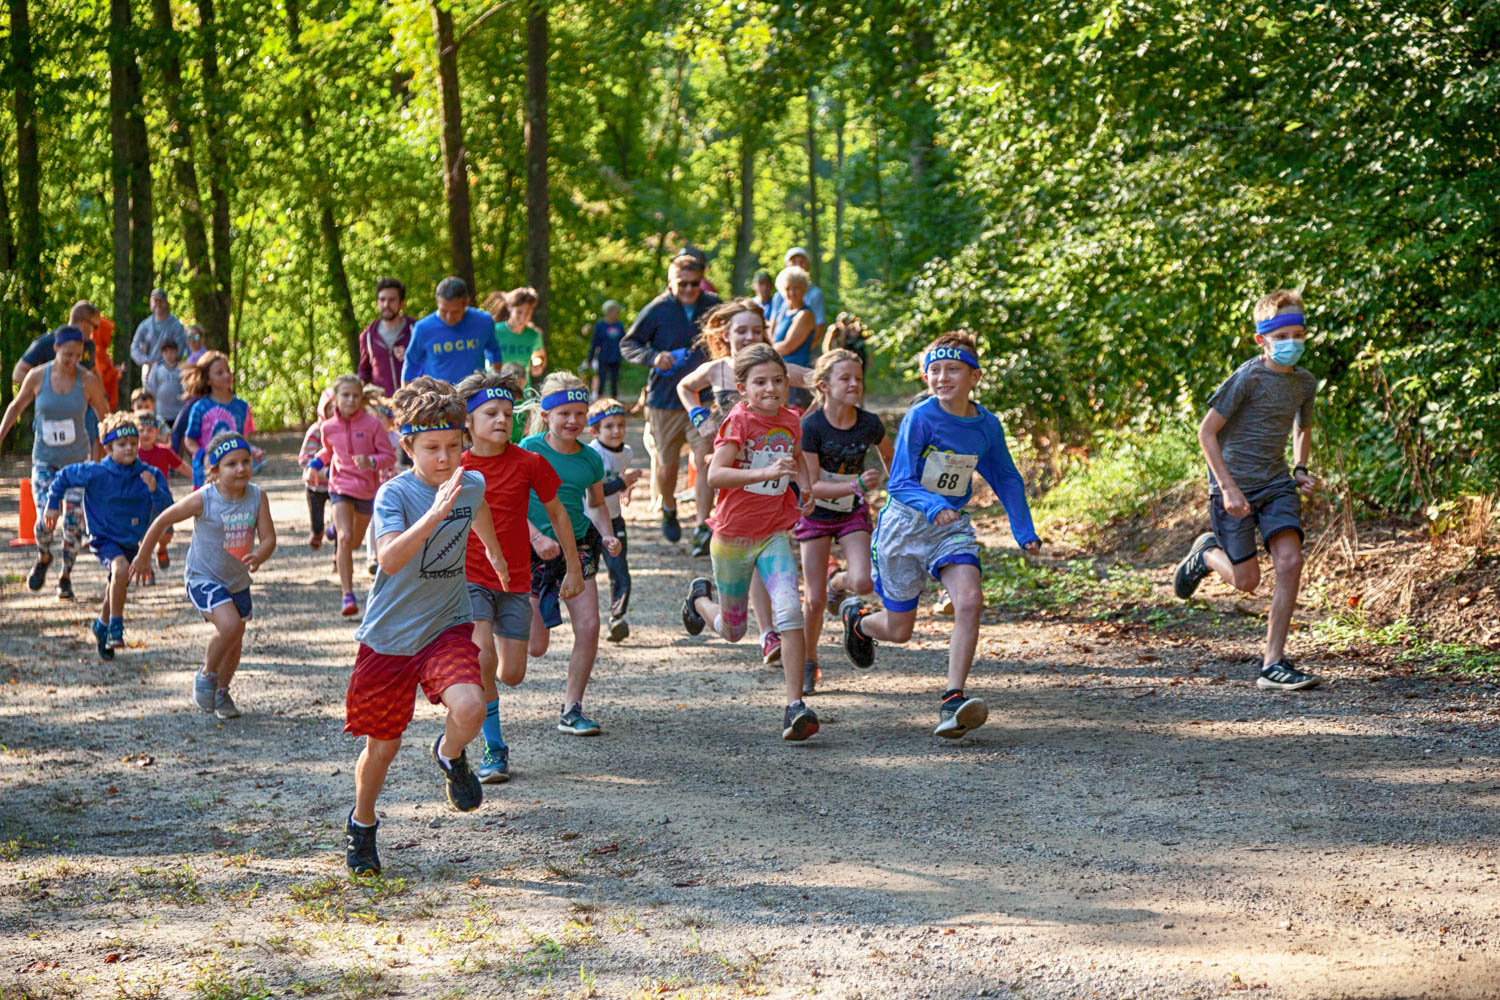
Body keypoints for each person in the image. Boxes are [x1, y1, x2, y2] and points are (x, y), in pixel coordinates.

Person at [341, 376, 511, 876]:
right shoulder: (395, 496)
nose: (444, 459)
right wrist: (434, 515)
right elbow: (389, 558)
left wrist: (496, 556)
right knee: (383, 747)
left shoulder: (469, 481)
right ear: (407, 445)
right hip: (390, 638)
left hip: (446, 623)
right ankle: (363, 824)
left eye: (454, 447)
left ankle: (450, 752)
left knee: (472, 703)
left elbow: (476, 508)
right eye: (432, 448)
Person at [839, 332, 1042, 739]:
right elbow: (900, 482)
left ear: (974, 377)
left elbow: (1004, 476)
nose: (943, 377)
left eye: (953, 369)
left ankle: (953, 700)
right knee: (900, 631)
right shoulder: (921, 417)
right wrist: (933, 505)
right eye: (935, 370)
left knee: (969, 599)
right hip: (904, 527)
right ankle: (859, 622)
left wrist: (1025, 530)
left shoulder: (986, 426)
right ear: (925, 375)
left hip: (949, 528)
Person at [1173, 289, 1320, 691]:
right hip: (1233, 485)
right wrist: (1228, 488)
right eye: (1283, 336)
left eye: (1299, 334)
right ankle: (1206, 553)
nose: (1293, 343)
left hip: (1275, 483)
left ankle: (1273, 663)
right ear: (1262, 339)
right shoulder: (1248, 377)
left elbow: (1302, 426)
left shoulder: (1305, 383)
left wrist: (1301, 467)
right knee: (1246, 582)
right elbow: (1206, 433)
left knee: (1290, 561)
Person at [680, 343, 819, 741]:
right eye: (760, 383)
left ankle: (795, 706)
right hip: (731, 539)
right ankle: (699, 601)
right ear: (742, 388)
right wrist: (765, 475)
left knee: (789, 612)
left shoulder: (792, 420)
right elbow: (715, 476)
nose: (771, 389)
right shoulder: (738, 423)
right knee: (733, 630)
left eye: (778, 381)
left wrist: (804, 488)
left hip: (773, 534)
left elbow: (796, 458)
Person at [456, 371, 580, 782]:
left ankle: (491, 703)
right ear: (468, 422)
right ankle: (495, 747)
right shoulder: (455, 466)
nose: (501, 420)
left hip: (515, 582)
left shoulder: (530, 462)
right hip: (468, 578)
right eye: (490, 413)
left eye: (507, 413)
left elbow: (559, 513)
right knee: (481, 657)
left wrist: (574, 567)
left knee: (511, 673)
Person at [678, 299, 813, 658]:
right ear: (726, 334)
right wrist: (698, 417)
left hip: (766, 477)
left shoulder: (775, 370)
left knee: (764, 549)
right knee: (738, 542)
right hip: (726, 458)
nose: (749, 335)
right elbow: (684, 387)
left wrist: (811, 420)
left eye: (756, 330)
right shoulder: (718, 368)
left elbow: (822, 380)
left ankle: (769, 631)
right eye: (741, 330)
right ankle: (710, 594)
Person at [134, 432, 275, 718]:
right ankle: (207, 674)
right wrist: (144, 555)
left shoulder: (258, 496)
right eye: (231, 464)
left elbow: (269, 538)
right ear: (214, 470)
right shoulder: (205, 499)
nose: (241, 469)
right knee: (231, 627)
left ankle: (223, 693)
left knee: (235, 641)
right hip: (203, 578)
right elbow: (164, 519)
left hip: (237, 581)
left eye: (246, 461)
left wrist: (260, 554)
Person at [522, 373, 622, 737]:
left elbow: (596, 505)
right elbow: (510, 503)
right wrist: (534, 538)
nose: (573, 421)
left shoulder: (590, 460)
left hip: (577, 546)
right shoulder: (528, 449)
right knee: (535, 647)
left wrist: (608, 536)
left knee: (590, 626)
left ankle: (572, 708)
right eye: (564, 413)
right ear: (546, 415)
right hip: (533, 552)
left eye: (580, 413)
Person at [797, 349, 893, 695]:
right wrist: (855, 484)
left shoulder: (869, 423)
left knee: (863, 582)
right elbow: (811, 485)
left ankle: (838, 584)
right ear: (824, 386)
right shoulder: (810, 427)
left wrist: (896, 489)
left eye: (858, 379)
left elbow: (891, 460)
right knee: (813, 600)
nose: (854, 384)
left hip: (851, 511)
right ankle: (808, 662)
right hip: (815, 514)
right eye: (845, 379)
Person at [43, 413, 171, 659]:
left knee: (118, 581)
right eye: (122, 445)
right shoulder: (96, 472)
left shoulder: (149, 473)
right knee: (120, 570)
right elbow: (63, 477)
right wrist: (52, 503)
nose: (130, 449)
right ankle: (115, 629)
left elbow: (167, 509)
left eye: (134, 444)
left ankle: (101, 624)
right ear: (108, 448)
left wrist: (154, 490)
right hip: (104, 538)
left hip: (132, 540)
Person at [0, 326, 111, 601]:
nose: (73, 361)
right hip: (45, 461)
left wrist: (114, 456)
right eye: (67, 355)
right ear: (56, 350)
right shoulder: (38, 377)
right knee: (44, 521)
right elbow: (16, 407)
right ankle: (44, 555)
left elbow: (106, 419)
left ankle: (65, 576)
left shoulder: (88, 381)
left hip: (77, 463)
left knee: (73, 521)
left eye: (78, 355)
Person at [621, 252, 721, 546]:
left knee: (705, 458)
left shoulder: (713, 305)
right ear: (670, 282)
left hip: (704, 399)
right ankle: (668, 507)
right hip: (665, 399)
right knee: (666, 466)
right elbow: (628, 344)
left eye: (694, 284)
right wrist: (654, 357)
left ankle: (704, 526)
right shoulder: (657, 309)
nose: (689, 290)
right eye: (682, 284)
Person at [306, 374, 396, 617]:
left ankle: (332, 527)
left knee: (354, 543)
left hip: (367, 490)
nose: (351, 400)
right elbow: (328, 451)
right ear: (335, 398)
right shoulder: (328, 427)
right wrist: (314, 464)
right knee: (345, 539)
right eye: (345, 395)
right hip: (340, 487)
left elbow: (389, 456)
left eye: (356, 395)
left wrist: (370, 461)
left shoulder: (372, 425)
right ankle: (347, 595)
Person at [587, 397, 641, 643]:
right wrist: (623, 483)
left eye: (621, 425)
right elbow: (596, 491)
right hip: (588, 522)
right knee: (587, 571)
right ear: (594, 430)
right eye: (609, 426)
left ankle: (617, 618)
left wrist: (625, 491)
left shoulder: (626, 452)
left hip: (614, 520)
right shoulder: (592, 455)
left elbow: (620, 478)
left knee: (620, 570)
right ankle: (585, 618)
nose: (616, 431)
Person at [401, 277, 502, 386]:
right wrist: (406, 397)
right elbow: (411, 363)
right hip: (438, 397)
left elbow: (493, 350)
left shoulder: (484, 322)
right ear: (437, 301)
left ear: (466, 303)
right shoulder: (423, 328)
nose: (449, 317)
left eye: (455, 312)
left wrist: (496, 376)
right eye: (444, 311)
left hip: (475, 392)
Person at [181, 351, 260, 489]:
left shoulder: (242, 407)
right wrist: (203, 455)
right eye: (220, 373)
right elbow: (189, 440)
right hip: (206, 474)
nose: (227, 375)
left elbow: (244, 439)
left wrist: (251, 451)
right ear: (208, 380)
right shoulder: (200, 408)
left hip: (235, 472)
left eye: (228, 370)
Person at [134, 414, 186, 584]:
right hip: (141, 502)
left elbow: (180, 466)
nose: (145, 433)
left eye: (150, 430)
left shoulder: (164, 451)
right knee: (144, 537)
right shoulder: (132, 454)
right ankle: (147, 570)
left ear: (156, 432)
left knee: (166, 534)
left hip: (162, 500)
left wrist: (199, 478)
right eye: (141, 430)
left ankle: (161, 548)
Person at [358, 277, 414, 397]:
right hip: (382, 410)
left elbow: (432, 365)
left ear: (402, 303)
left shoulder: (416, 330)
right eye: (382, 299)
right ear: (377, 302)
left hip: (414, 405)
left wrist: (411, 358)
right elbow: (364, 373)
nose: (386, 304)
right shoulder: (367, 336)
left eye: (392, 300)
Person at [771, 266, 818, 409]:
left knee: (796, 417)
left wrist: (764, 351)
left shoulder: (805, 315)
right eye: (788, 288)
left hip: (798, 377)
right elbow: (770, 337)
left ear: (804, 289)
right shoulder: (782, 312)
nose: (792, 292)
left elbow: (788, 346)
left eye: (796, 288)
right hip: (779, 374)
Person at [298, 388, 337, 550]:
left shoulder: (345, 429)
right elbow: (304, 458)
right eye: (330, 407)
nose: (334, 411)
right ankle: (317, 532)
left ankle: (338, 554)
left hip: (338, 486)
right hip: (316, 486)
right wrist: (318, 469)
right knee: (317, 522)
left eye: (337, 406)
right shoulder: (316, 430)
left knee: (341, 525)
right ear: (322, 409)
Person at [486, 287, 547, 387]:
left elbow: (540, 356)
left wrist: (537, 365)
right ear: (510, 308)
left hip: (523, 394)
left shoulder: (533, 336)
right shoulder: (494, 331)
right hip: (495, 391)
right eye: (519, 312)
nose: (523, 317)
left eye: (527, 313)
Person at [766, 247, 826, 340]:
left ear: (808, 266)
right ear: (786, 266)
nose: (798, 266)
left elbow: (819, 327)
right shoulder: (778, 296)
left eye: (802, 262)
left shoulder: (815, 294)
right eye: (794, 262)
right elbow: (773, 324)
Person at [130, 289, 185, 381]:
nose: (158, 304)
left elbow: (180, 350)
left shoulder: (176, 326)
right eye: (155, 301)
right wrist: (147, 361)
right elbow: (134, 349)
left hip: (170, 372)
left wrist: (161, 364)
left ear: (167, 303)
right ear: (150, 303)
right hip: (149, 373)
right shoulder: (144, 325)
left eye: (161, 300)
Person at [587, 301, 626, 400]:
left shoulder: (619, 325)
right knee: (602, 380)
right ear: (610, 311)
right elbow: (594, 343)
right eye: (616, 310)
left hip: (616, 357)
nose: (618, 313)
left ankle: (614, 402)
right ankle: (599, 401)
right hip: (604, 357)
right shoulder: (600, 325)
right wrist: (590, 359)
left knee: (615, 381)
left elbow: (624, 341)